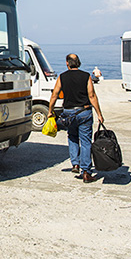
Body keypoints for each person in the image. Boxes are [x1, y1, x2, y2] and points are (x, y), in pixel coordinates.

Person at [47, 53, 104, 183]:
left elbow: (54, 95)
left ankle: (75, 164)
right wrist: (99, 114)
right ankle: (86, 172)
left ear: (67, 63)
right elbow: (92, 96)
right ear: (78, 62)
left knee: (72, 137)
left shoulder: (62, 77)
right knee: (85, 141)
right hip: (84, 112)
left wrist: (50, 111)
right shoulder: (86, 76)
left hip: (68, 113)